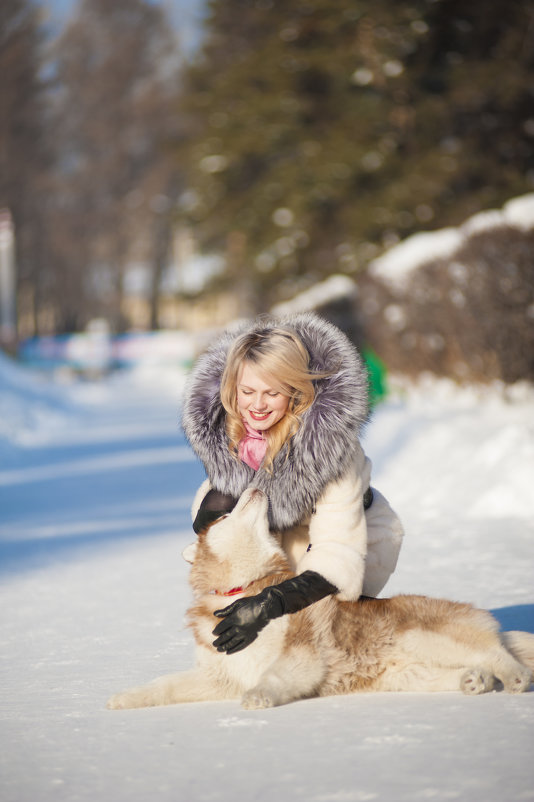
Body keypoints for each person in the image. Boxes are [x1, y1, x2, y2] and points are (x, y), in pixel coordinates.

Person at [182, 312, 404, 655]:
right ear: (232, 390)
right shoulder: (234, 433)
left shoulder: (331, 451)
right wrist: (213, 512)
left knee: (311, 636)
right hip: (284, 541)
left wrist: (272, 602)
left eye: (272, 393)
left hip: (353, 540)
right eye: (247, 391)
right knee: (223, 498)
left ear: (295, 393)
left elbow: (337, 549)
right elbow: (221, 508)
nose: (256, 405)